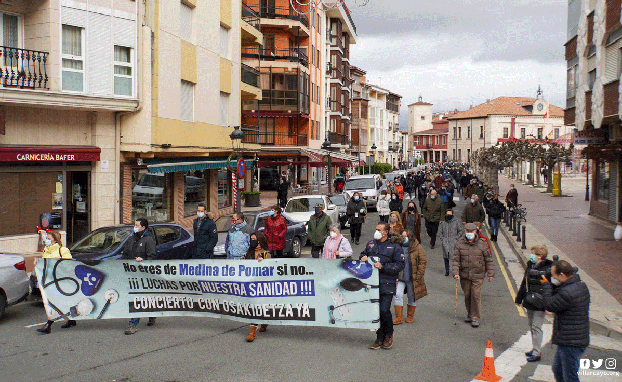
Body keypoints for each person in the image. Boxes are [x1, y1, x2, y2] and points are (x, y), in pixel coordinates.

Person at [542, 260, 590, 382]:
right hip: (573, 338)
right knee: (558, 370)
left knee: (570, 376)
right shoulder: (580, 285)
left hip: (571, 342)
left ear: (562, 275)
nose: (552, 278)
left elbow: (549, 304)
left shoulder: (567, 292)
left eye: (553, 275)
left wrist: (546, 284)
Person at [360, 223, 405, 350]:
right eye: (376, 229)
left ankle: (389, 334)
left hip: (387, 283)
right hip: (372, 283)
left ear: (386, 232)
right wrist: (363, 257)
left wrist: (384, 267)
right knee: (375, 311)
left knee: (384, 310)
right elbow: (363, 253)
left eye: (379, 230)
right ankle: (379, 337)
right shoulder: (371, 244)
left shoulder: (395, 246)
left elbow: (400, 265)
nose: (377, 232)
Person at [515, 245, 553, 363]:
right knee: (531, 325)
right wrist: (519, 298)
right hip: (530, 299)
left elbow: (549, 287)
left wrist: (549, 304)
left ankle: (537, 352)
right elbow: (524, 282)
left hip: (540, 302)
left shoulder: (548, 269)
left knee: (536, 326)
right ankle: (534, 348)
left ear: (540, 256)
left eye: (533, 254)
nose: (531, 255)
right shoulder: (530, 265)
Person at [452, 223, 495, 328]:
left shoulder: (482, 243)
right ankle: (470, 314)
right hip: (464, 275)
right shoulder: (460, 243)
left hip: (478, 275)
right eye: (467, 232)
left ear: (476, 232)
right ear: (465, 231)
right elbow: (456, 260)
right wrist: (455, 272)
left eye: (471, 232)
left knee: (475, 295)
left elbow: (489, 259)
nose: (469, 234)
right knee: (467, 295)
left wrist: (490, 273)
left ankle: (475, 317)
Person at [123, 218, 157, 335]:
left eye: (137, 225)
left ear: (143, 227)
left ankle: (133, 324)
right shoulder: (131, 238)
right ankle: (152, 313)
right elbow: (125, 253)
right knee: (140, 297)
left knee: (138, 297)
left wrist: (143, 260)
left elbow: (152, 257)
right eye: (135, 224)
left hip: (143, 274)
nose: (135, 226)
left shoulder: (149, 240)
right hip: (131, 272)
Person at [36, 231, 73, 334]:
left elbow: (70, 264)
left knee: (53, 302)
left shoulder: (63, 250)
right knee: (57, 300)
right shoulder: (46, 251)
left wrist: (61, 260)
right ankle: (71, 320)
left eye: (49, 238)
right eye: (46, 239)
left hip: (61, 280)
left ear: (55, 240)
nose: (46, 240)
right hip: (49, 279)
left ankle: (48, 324)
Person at [393, 231, 427, 325]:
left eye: (406, 236)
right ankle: (399, 317)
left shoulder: (417, 247)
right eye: (402, 236)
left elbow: (423, 261)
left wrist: (418, 275)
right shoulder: (397, 246)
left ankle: (410, 316)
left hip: (412, 278)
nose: (404, 238)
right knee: (397, 295)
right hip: (400, 277)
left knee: (412, 297)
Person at [245, 231, 272, 342]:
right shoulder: (249, 253)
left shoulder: (266, 253)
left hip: (263, 285)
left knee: (259, 306)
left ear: (260, 240)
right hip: (251, 284)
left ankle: (254, 330)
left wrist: (264, 262)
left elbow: (271, 268)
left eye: (254, 239)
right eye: (251, 239)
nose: (253, 241)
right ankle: (258, 326)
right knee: (254, 306)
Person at [438, 209, 464, 277]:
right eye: (447, 214)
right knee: (445, 257)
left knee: (454, 258)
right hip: (445, 243)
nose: (448, 215)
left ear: (453, 215)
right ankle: (447, 270)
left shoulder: (456, 222)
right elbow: (440, 233)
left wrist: (456, 238)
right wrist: (443, 239)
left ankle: (454, 271)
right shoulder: (443, 223)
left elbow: (460, 231)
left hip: (453, 243)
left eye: (450, 214)